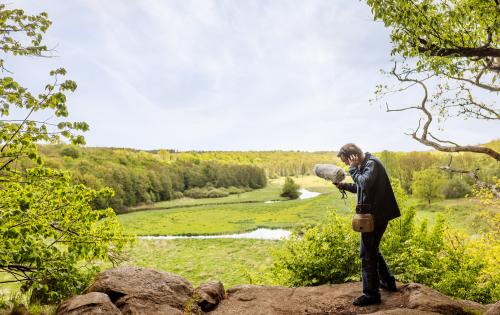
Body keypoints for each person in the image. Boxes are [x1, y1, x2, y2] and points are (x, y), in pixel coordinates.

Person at [334, 143, 401, 306]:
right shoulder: (366, 165)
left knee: (367, 254)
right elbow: (361, 187)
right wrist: (343, 186)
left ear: (352, 157)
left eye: (346, 161)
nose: (346, 164)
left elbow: (364, 183)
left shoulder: (372, 164)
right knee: (372, 250)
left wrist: (353, 169)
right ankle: (388, 282)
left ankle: (371, 294)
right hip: (375, 216)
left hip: (376, 217)